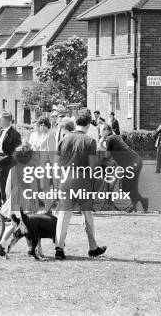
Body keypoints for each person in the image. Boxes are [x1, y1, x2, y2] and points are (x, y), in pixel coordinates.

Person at [54, 111, 107, 260]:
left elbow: (56, 165)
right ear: (89, 125)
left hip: (65, 180)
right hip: (83, 181)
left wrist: (58, 182)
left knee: (63, 215)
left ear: (75, 122)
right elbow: (92, 167)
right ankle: (92, 247)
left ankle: (59, 247)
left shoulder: (63, 140)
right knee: (87, 214)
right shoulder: (90, 141)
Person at [101, 124, 149, 213]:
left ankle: (141, 202)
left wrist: (101, 158)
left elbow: (107, 156)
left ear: (106, 130)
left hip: (132, 163)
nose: (100, 133)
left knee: (127, 187)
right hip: (132, 161)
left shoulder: (109, 138)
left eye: (101, 131)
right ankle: (113, 203)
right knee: (122, 186)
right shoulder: (114, 137)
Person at [0, 111, 21, 209]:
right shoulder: (0, 130)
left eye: (0, 119)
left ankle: (7, 212)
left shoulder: (15, 134)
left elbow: (16, 152)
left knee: (4, 189)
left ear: (7, 120)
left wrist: (6, 161)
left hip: (5, 162)